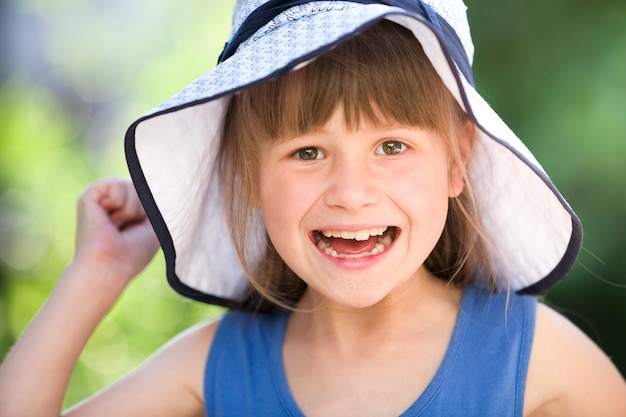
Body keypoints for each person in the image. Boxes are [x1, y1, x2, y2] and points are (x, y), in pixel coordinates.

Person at [1, 0, 625, 416]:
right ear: (249, 172)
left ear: (458, 159)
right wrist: (95, 275)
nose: (350, 193)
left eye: (391, 145)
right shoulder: (218, 365)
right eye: (306, 152)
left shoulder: (532, 355)